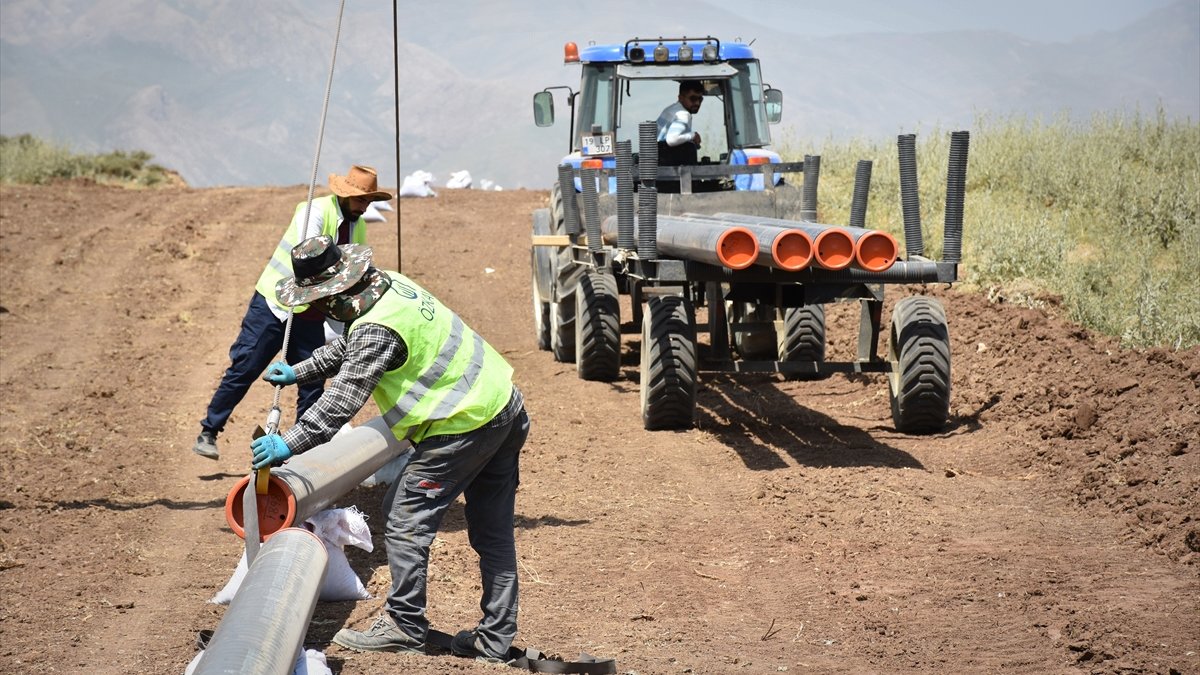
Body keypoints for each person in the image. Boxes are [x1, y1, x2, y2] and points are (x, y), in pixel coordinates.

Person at [253, 235, 529, 664]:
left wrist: (286, 443)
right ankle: (494, 640)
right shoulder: (388, 287)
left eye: (320, 301)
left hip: (464, 424)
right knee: (492, 530)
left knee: (403, 519)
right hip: (503, 404)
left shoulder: (376, 330)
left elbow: (340, 403)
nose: (318, 309)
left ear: (337, 291)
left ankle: (403, 625)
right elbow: (350, 346)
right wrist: (300, 371)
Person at [191, 165, 393, 459]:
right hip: (276, 305)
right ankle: (210, 429)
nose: (364, 207)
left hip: (312, 313)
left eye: (368, 201)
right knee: (246, 366)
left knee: (311, 382)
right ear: (346, 194)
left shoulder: (357, 224)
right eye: (361, 200)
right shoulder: (315, 212)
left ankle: (302, 455)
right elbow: (307, 258)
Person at [655, 79, 705, 167]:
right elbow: (672, 140)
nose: (697, 103)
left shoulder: (670, 110)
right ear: (680, 98)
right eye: (693, 99)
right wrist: (693, 135)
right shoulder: (683, 114)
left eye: (700, 99)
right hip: (667, 168)